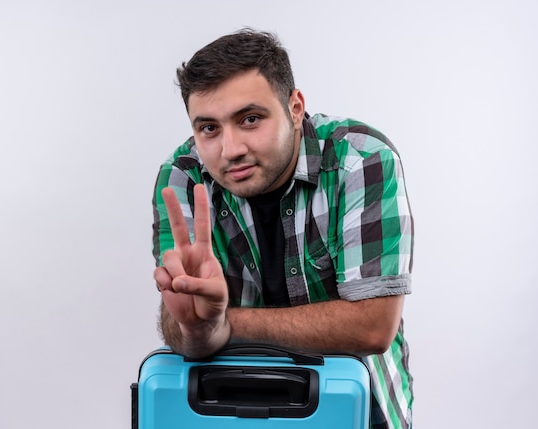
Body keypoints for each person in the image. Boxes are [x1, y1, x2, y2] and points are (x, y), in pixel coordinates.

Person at [151, 28, 414, 429]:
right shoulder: (182, 180)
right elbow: (185, 329)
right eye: (209, 128)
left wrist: (226, 323)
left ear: (295, 107)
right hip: (230, 404)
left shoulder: (361, 159)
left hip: (354, 406)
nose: (230, 149)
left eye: (250, 119)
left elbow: (373, 325)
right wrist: (196, 326)